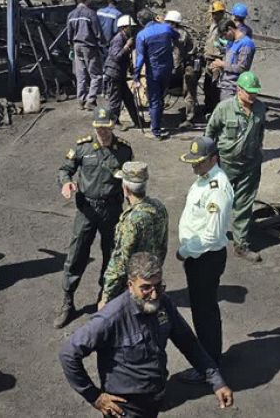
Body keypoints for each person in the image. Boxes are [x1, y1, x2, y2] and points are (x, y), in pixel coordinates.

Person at [59, 252, 234, 417]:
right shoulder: (110, 318)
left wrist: (216, 380)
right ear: (130, 285)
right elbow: (68, 353)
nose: (154, 294)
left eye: (158, 285)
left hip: (155, 399)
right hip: (125, 409)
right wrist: (95, 397)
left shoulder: (164, 304)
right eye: (146, 288)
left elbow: (188, 343)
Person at [55, 108, 134, 328]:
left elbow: (129, 181)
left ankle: (105, 297)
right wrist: (65, 183)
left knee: (112, 255)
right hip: (87, 210)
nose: (103, 132)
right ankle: (68, 300)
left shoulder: (124, 151)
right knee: (77, 253)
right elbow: (64, 169)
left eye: (106, 127)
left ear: (112, 126)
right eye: (98, 128)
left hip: (112, 210)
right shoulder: (83, 147)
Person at [175, 137, 234, 377]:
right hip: (199, 257)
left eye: (199, 162)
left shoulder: (217, 189)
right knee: (202, 309)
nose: (194, 166)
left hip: (205, 258)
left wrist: (185, 251)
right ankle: (210, 357)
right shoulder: (204, 178)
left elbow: (211, 235)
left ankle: (209, 366)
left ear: (213, 159)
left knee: (204, 312)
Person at [204, 70, 266, 263]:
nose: (253, 95)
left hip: (250, 165)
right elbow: (210, 133)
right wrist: (209, 161)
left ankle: (241, 245)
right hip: (226, 165)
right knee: (217, 202)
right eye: (249, 91)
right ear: (239, 90)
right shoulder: (224, 109)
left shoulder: (260, 109)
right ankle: (208, 238)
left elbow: (260, 133)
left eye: (255, 92)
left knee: (244, 206)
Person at [99, 162, 168, 307]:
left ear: (125, 188)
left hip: (135, 286)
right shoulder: (159, 207)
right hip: (152, 279)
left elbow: (120, 262)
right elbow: (163, 245)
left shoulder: (131, 220)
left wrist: (106, 296)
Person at [133, 9, 176, 140]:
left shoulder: (142, 35)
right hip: (168, 69)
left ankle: (156, 129)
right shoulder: (167, 29)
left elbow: (140, 58)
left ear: (140, 22)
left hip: (153, 71)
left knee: (154, 100)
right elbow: (177, 36)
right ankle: (158, 119)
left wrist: (136, 76)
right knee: (162, 96)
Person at [103, 15, 143, 131]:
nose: (132, 30)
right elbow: (116, 56)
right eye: (130, 27)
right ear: (123, 28)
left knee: (129, 98)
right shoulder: (118, 39)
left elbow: (126, 58)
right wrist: (126, 46)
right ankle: (114, 122)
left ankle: (137, 120)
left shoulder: (126, 38)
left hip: (120, 74)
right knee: (115, 100)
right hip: (113, 74)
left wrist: (132, 70)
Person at [67, 0, 104, 110]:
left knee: (81, 74)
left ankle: (81, 100)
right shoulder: (91, 13)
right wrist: (102, 44)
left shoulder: (71, 14)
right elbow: (97, 32)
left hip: (76, 46)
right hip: (89, 46)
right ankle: (91, 100)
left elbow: (69, 34)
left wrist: (71, 46)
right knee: (96, 75)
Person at [166, 10, 201, 128]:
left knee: (189, 92)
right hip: (177, 66)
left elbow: (178, 53)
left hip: (186, 66)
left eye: (168, 22)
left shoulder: (181, 34)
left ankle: (189, 119)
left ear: (173, 23)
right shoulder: (173, 32)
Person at [211, 21, 255, 101]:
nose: (225, 38)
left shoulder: (246, 44)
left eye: (224, 35)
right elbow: (230, 61)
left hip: (234, 88)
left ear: (230, 29)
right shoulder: (232, 42)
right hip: (226, 85)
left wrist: (222, 64)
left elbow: (242, 68)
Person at [201, 1, 229, 117]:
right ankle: (208, 107)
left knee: (215, 86)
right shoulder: (213, 24)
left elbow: (227, 45)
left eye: (215, 13)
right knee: (207, 85)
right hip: (209, 58)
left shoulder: (224, 27)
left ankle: (215, 110)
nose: (213, 16)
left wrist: (222, 59)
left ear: (221, 13)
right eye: (213, 13)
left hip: (217, 59)